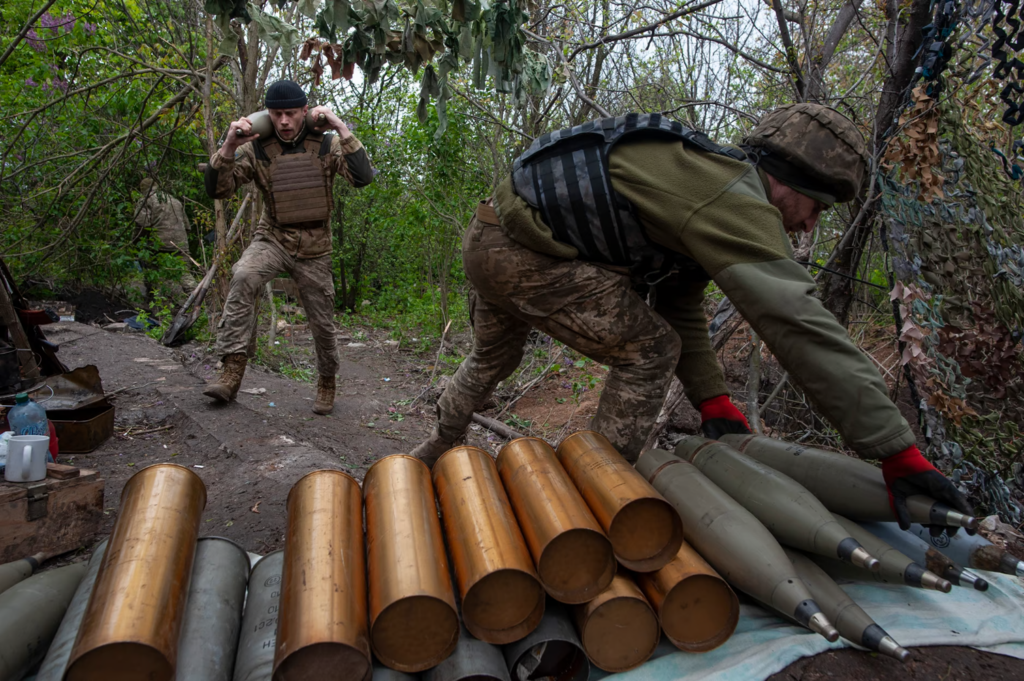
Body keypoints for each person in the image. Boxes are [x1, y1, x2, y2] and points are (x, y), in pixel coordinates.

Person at [410, 105, 971, 528]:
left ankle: (434, 446)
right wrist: (897, 449)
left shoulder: (701, 178)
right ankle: (590, 507)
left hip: (490, 238)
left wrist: (712, 400)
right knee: (648, 351)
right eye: (815, 208)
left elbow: (679, 301)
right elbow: (797, 322)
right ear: (788, 180)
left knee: (494, 354)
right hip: (526, 256)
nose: (806, 226)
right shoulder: (732, 198)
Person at [202, 80, 374, 414]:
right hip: (274, 238)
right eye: (277, 114)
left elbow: (362, 177)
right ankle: (232, 370)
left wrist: (339, 126)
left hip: (315, 246)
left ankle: (327, 381)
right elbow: (218, 190)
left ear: (304, 113)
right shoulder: (257, 147)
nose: (283, 121)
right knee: (244, 275)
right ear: (268, 114)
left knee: (322, 323)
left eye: (291, 114)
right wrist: (228, 146)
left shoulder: (326, 144)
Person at [134, 178, 197, 300]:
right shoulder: (174, 200)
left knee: (156, 277)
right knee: (184, 275)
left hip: (159, 246)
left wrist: (135, 241)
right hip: (181, 245)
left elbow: (142, 225)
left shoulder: (145, 201)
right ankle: (198, 300)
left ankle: (157, 302)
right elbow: (188, 227)